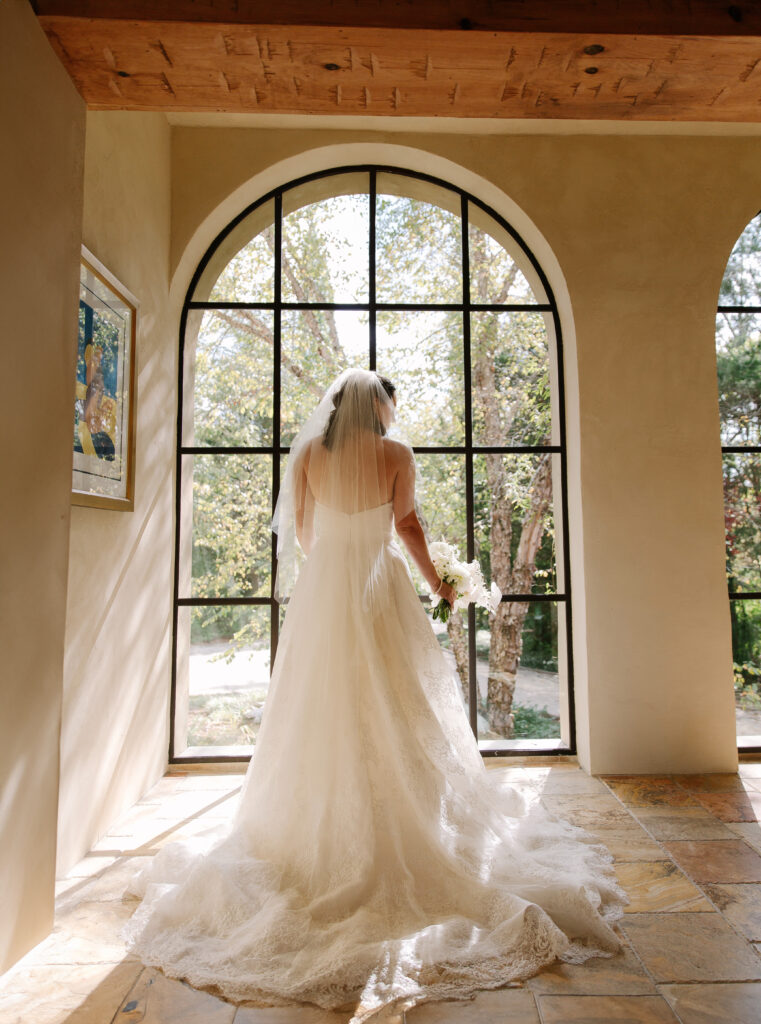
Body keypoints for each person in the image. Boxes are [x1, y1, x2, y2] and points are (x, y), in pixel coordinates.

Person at [121, 367, 627, 1023]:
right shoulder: (394, 454)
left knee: (317, 709)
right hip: (378, 587)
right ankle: (410, 820)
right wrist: (438, 584)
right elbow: (409, 525)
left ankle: (308, 828)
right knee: (403, 705)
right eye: (391, 404)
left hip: (324, 592)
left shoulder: (308, 453)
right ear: (377, 406)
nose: (393, 415)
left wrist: (334, 561)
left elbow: (299, 533)